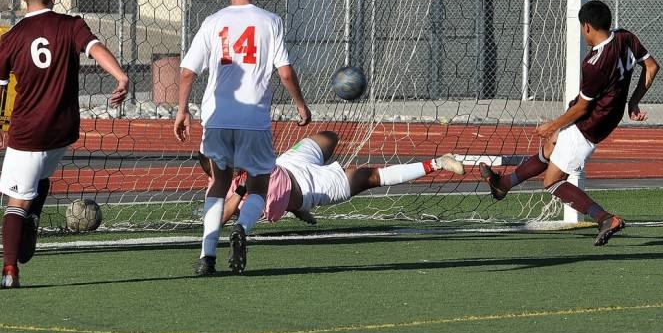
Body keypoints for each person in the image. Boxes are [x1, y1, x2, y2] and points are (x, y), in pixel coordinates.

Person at [480, 0, 659, 246]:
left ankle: (605, 218)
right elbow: (651, 67)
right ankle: (503, 185)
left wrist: (553, 124)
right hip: (601, 117)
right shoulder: (626, 37)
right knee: (550, 149)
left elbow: (583, 108)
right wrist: (633, 101)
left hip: (588, 125)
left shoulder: (594, 64)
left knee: (552, 181)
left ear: (587, 27)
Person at [174, 0, 310, 276]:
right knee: (258, 183)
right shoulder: (270, 21)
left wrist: (182, 110)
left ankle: (207, 256)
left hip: (218, 116)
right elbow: (286, 72)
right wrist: (301, 105)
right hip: (254, 118)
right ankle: (243, 229)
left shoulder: (212, 21)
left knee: (218, 185)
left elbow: (187, 72)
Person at [0, 0, 129, 288]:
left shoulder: (12, 38)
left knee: (14, 202)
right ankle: (32, 216)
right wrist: (121, 76)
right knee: (41, 174)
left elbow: (1, 89)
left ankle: (9, 271)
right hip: (64, 130)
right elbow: (96, 49)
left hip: (28, 132)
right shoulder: (71, 25)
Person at [196, 131, 465, 233]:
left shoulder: (240, 157)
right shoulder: (220, 188)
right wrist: (241, 187)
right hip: (312, 186)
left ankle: (294, 207)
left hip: (291, 163)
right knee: (368, 177)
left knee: (329, 137)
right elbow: (219, 219)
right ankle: (438, 162)